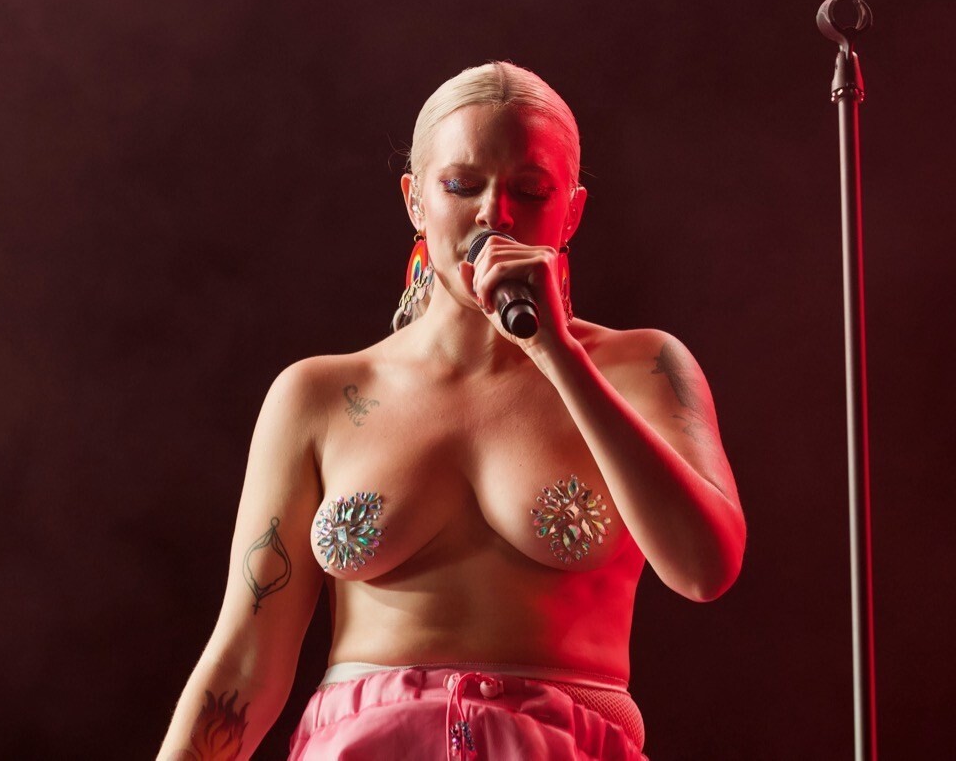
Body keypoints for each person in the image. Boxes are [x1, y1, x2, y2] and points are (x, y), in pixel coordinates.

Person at [156, 61, 746, 760]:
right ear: (414, 200)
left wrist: (556, 353)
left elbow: (704, 568)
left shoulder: (643, 367)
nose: (495, 213)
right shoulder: (318, 396)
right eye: (462, 185)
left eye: (531, 190)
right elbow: (245, 663)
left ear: (572, 211)